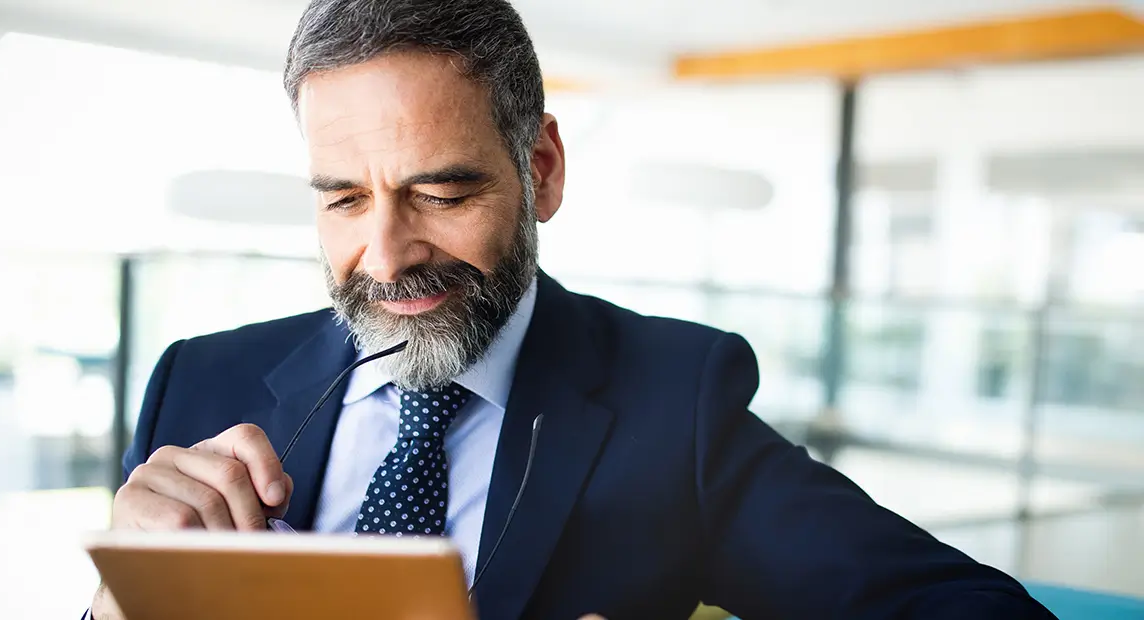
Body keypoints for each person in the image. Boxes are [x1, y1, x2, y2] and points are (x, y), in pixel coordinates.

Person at [88, 0, 1058, 618]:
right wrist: (110, 602)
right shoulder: (198, 377)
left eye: (443, 191)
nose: (385, 254)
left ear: (540, 169)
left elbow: (962, 606)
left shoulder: (671, 402)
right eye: (343, 197)